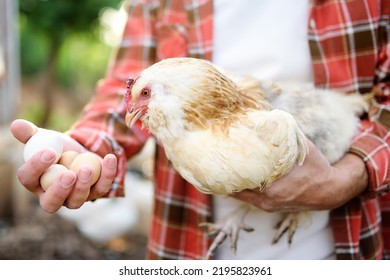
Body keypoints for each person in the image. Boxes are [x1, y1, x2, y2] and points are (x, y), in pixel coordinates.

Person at [10, 0, 389, 259]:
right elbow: (126, 88)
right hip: (191, 247)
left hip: (338, 249)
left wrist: (348, 178)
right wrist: (83, 146)